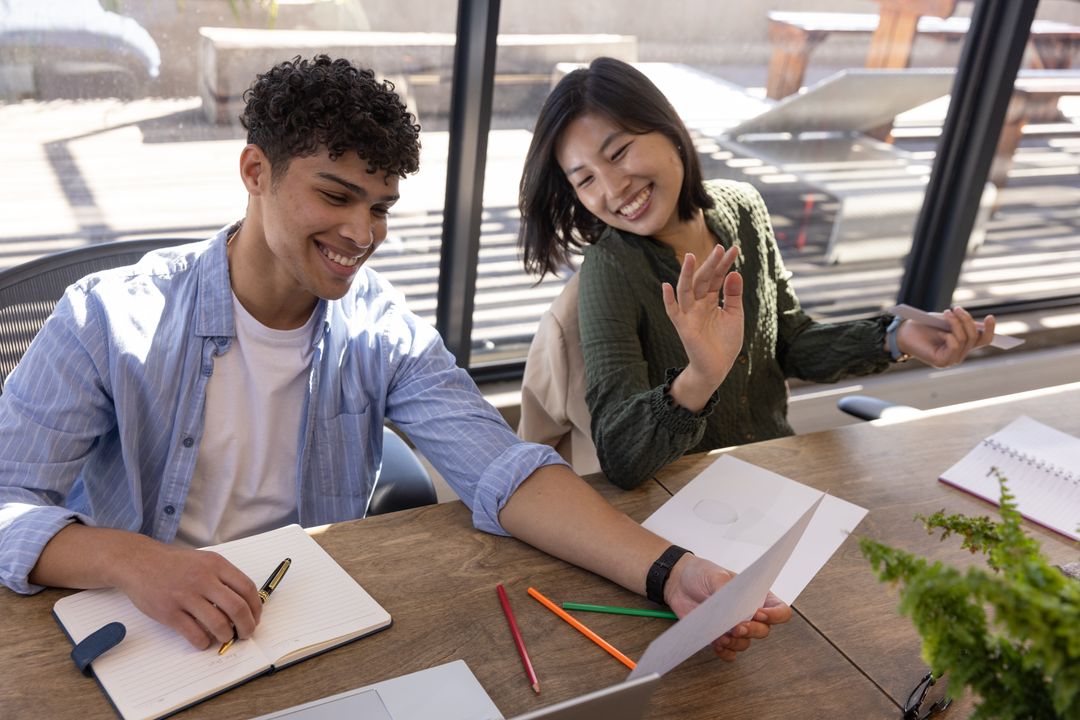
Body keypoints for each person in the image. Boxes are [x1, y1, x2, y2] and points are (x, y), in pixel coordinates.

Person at [0, 55, 789, 662]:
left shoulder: (381, 328)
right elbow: (6, 503)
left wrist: (670, 571)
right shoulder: (106, 316)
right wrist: (135, 563)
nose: (362, 234)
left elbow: (501, 471)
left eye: (379, 208)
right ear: (254, 172)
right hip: (143, 632)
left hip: (302, 622)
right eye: (336, 197)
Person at [517, 57, 997, 489]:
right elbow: (621, 455)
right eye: (585, 179)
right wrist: (700, 377)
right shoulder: (612, 267)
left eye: (619, 152)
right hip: (690, 503)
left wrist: (898, 339)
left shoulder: (743, 208)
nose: (613, 187)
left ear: (668, 129)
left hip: (780, 472)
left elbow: (791, 343)